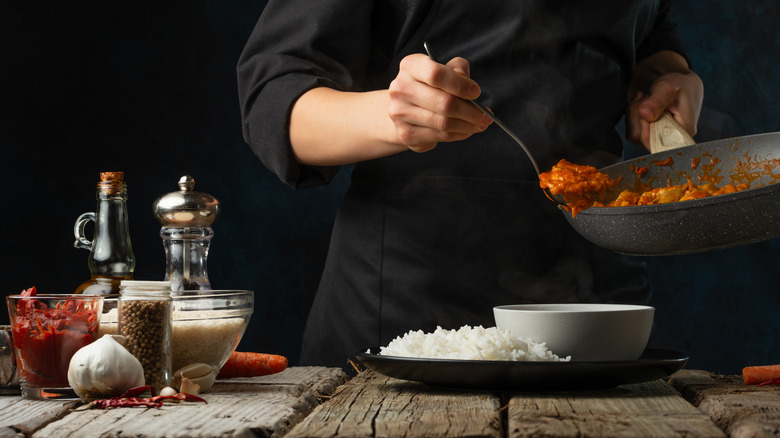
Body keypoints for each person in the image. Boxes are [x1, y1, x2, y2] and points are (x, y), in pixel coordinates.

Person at [237, 0, 703, 369]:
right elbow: (273, 100)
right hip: (411, 310)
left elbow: (646, 29)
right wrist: (393, 116)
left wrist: (668, 76)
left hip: (599, 303)